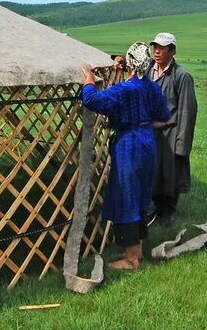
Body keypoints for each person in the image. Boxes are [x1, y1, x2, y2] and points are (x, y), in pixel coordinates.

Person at [80, 43, 171, 270]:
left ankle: (131, 260)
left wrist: (89, 78)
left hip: (129, 144)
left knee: (127, 197)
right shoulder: (152, 87)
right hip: (148, 141)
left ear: (130, 63)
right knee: (140, 196)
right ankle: (137, 251)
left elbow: (91, 100)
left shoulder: (125, 90)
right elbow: (165, 119)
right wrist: (143, 123)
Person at [149, 32, 198, 227]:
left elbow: (187, 110)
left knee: (171, 173)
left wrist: (182, 145)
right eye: (155, 47)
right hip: (150, 131)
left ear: (172, 50)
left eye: (162, 48)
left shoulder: (181, 76)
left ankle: (168, 211)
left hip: (171, 132)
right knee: (153, 171)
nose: (157, 51)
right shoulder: (148, 72)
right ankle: (157, 207)